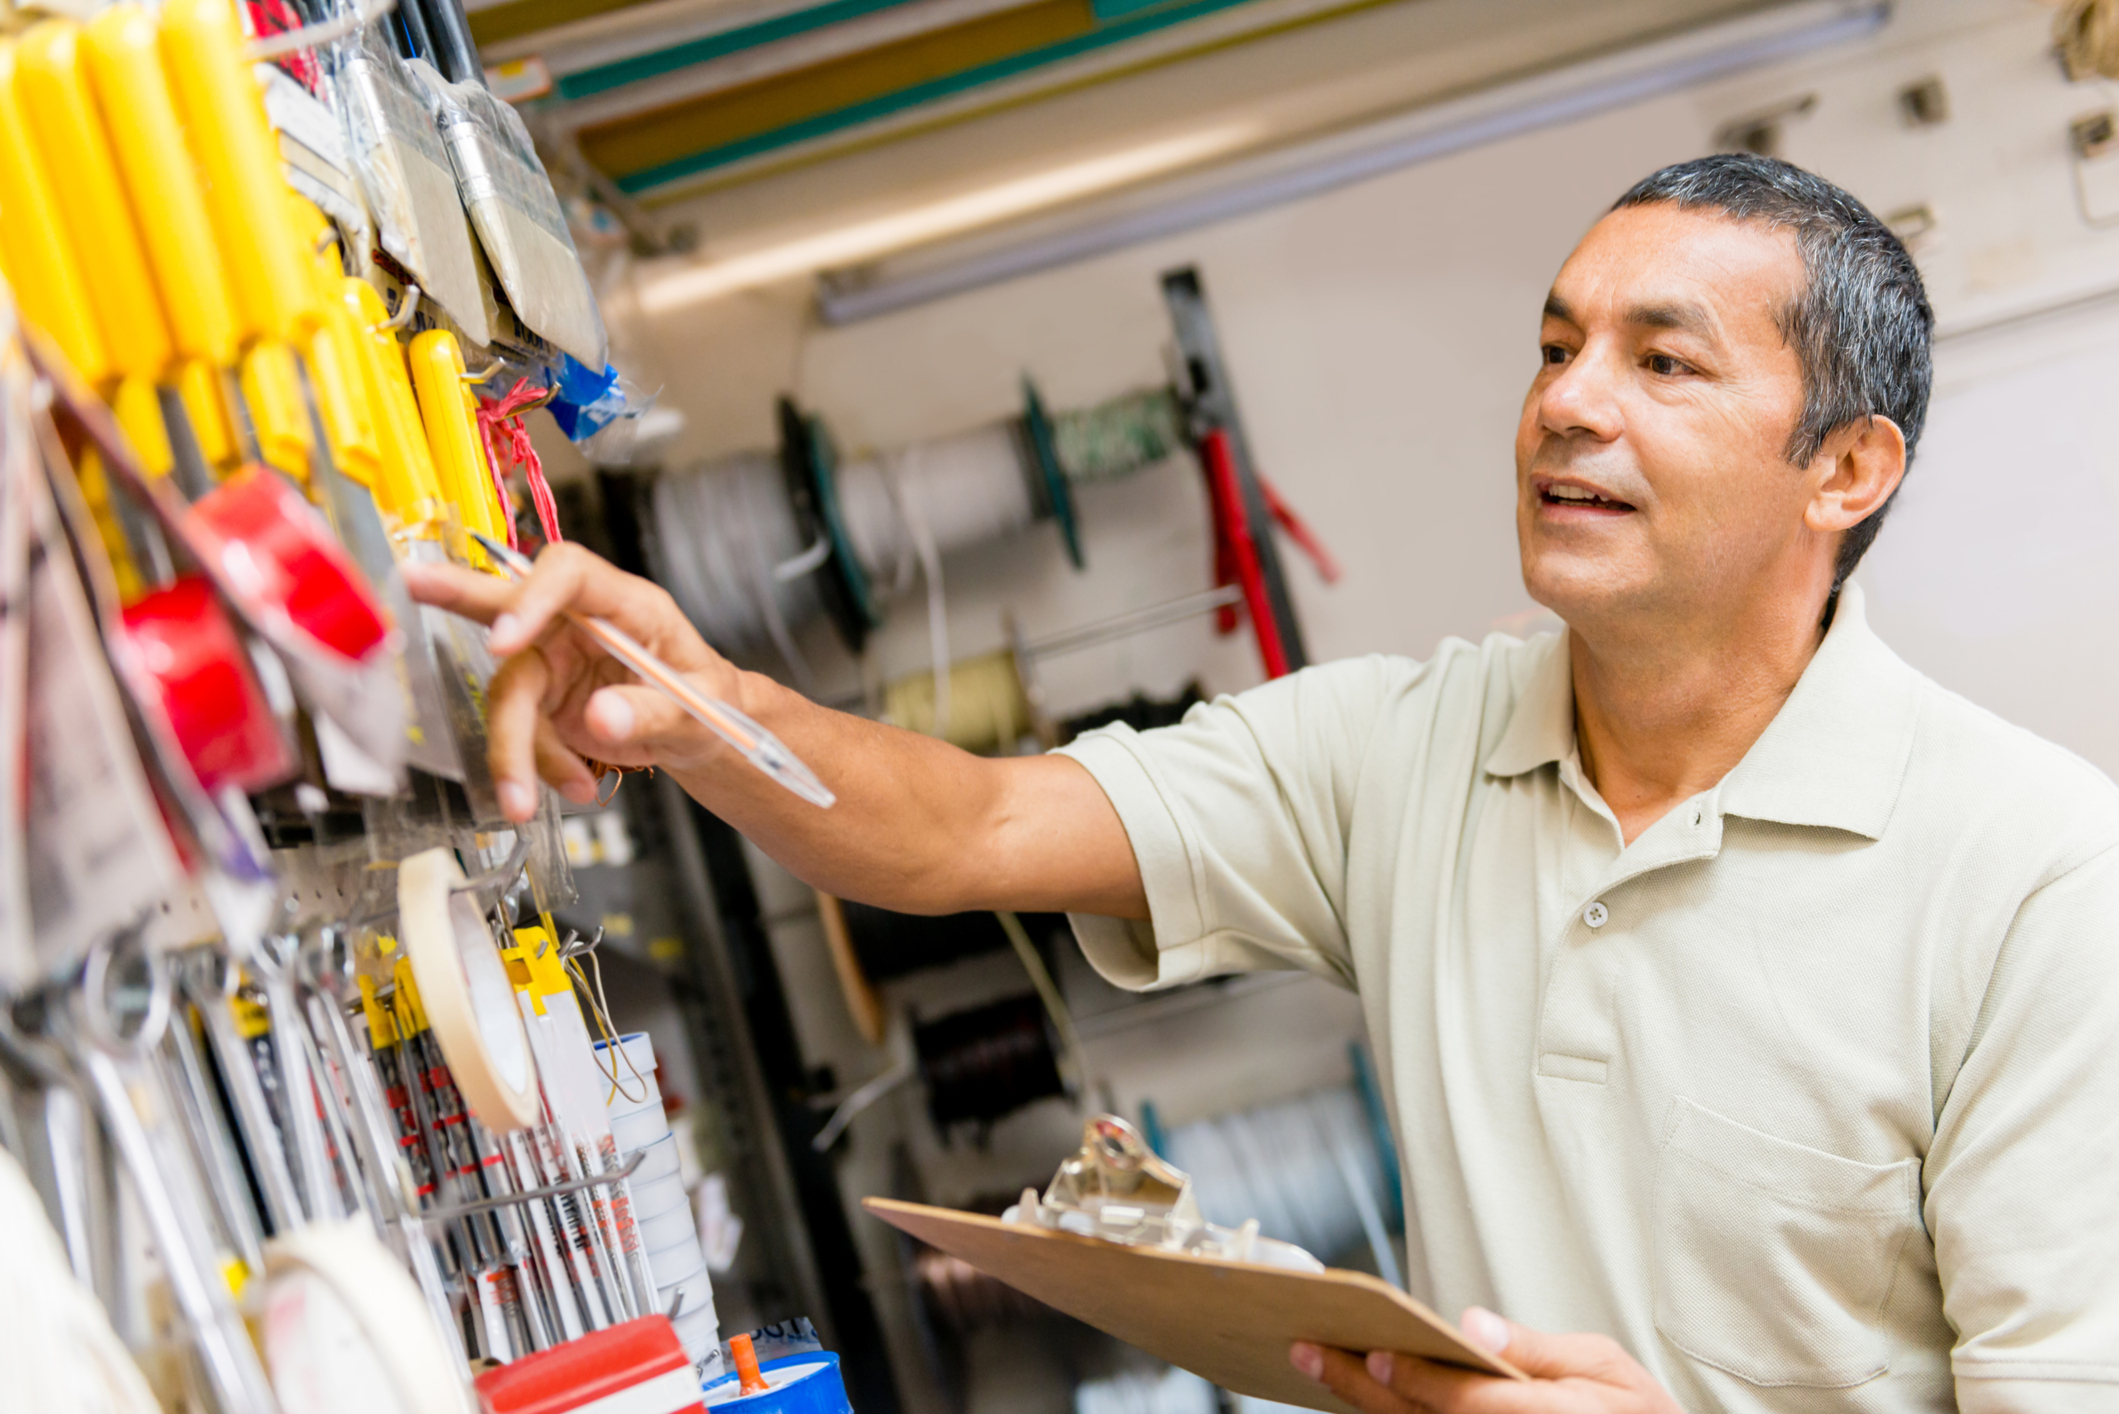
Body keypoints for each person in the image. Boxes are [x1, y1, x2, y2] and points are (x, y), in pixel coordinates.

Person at [405, 154, 2119, 1412]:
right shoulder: (1407, 747)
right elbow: (975, 827)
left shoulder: (2036, 877)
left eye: (1663, 363)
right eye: (1553, 345)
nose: (1564, 406)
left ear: (1846, 467)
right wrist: (706, 707)